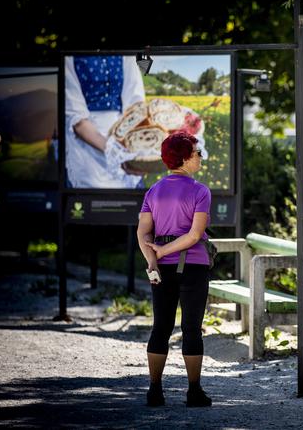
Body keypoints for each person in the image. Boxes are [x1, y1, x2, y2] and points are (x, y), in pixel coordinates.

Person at [137, 132, 212, 407]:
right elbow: (194, 236)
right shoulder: (200, 191)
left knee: (161, 327)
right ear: (185, 158)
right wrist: (165, 251)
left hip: (162, 271)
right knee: (192, 329)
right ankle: (194, 392)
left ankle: (154, 390)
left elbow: (142, 234)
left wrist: (153, 260)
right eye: (197, 153)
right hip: (194, 267)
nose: (200, 157)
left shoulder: (153, 191)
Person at [65, 55, 145, 188]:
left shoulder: (126, 55)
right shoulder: (70, 57)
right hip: (87, 145)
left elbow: (135, 104)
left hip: (123, 135)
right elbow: (76, 118)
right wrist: (115, 152)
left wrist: (132, 147)